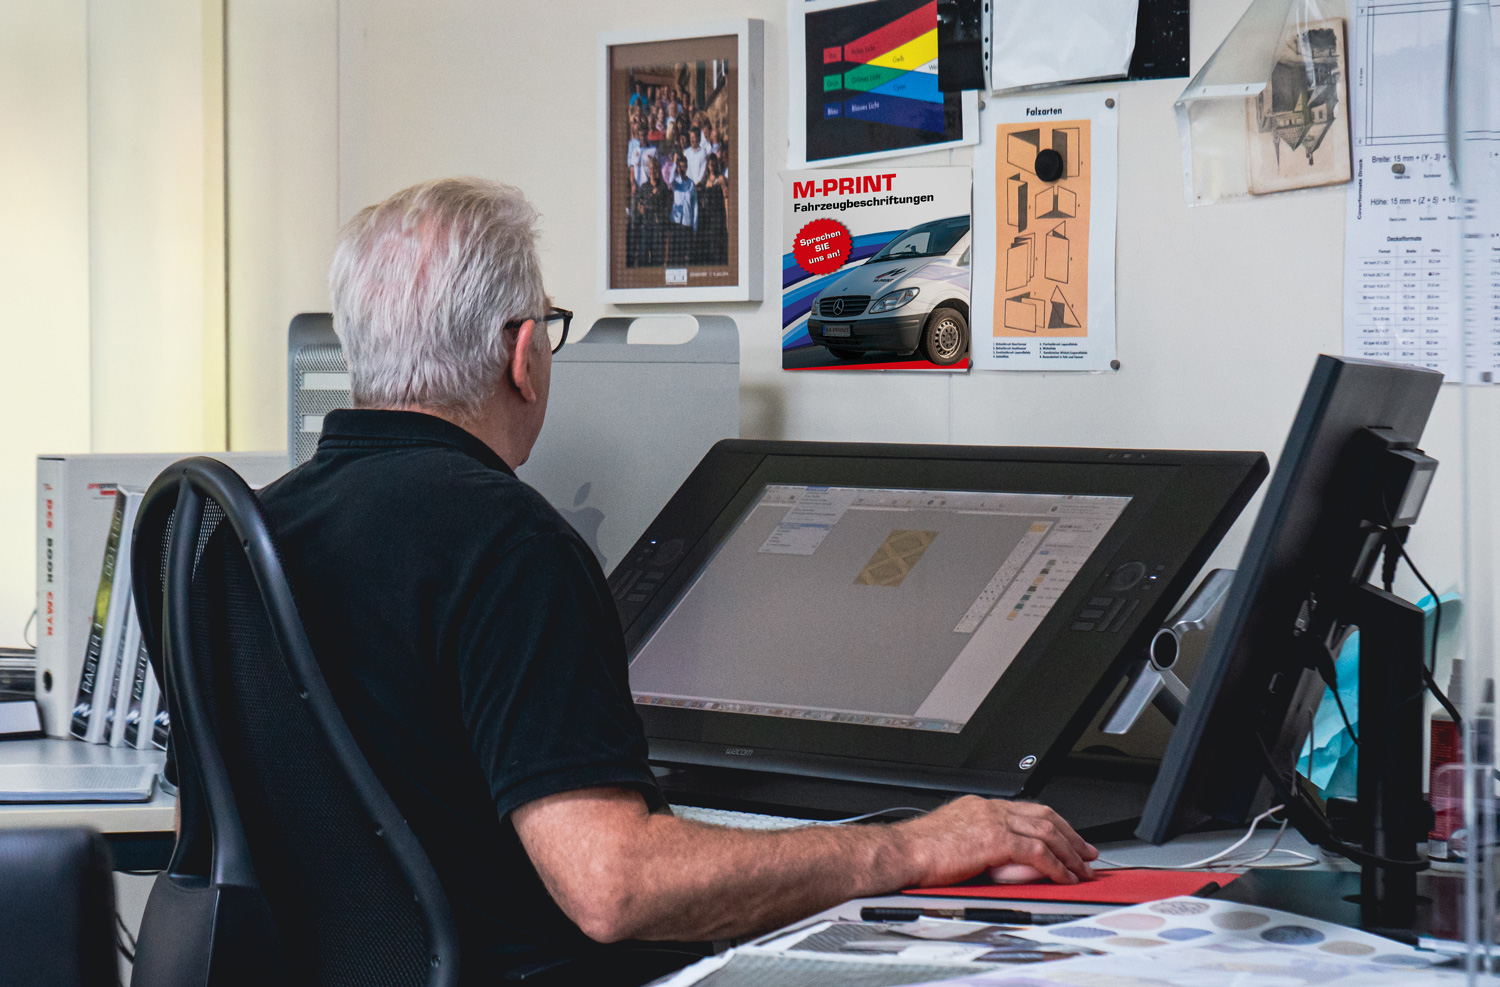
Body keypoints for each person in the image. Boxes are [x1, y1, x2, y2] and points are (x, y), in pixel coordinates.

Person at [263, 177, 1097, 987]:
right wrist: (910, 846)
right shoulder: (508, 545)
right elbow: (613, 885)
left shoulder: (247, 533)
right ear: (523, 356)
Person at [695, 154, 729, 266]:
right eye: (710, 165)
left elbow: (726, 197)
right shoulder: (705, 181)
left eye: (714, 164)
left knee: (718, 244)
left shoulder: (721, 178)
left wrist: (727, 218)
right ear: (707, 166)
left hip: (718, 216)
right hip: (707, 218)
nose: (712, 167)